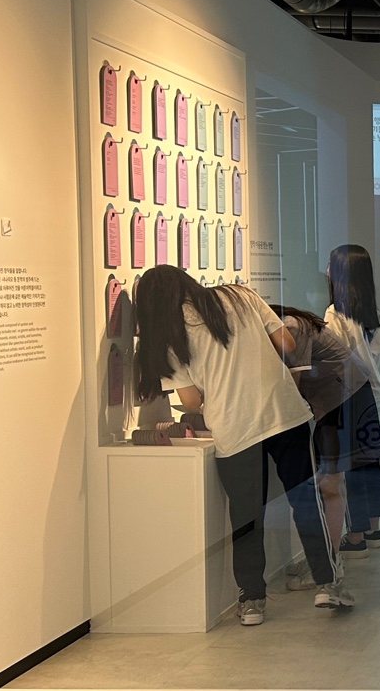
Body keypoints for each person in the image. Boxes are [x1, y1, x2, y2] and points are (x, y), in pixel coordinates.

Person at [132, 266, 353, 625]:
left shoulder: (169, 336)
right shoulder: (240, 296)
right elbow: (288, 344)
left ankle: (252, 601)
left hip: (234, 427)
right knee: (305, 501)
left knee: (246, 517)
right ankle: (327, 584)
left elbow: (190, 401)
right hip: (283, 413)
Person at [269, 306, 380, 583]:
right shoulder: (293, 324)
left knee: (330, 483)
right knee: (333, 481)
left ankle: (328, 563)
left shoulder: (291, 329)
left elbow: (293, 386)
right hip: (344, 400)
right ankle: (326, 559)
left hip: (342, 402)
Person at [325, 244, 380, 557]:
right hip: (371, 394)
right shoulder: (371, 313)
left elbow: (333, 358)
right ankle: (374, 531)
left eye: (330, 265)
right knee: (370, 465)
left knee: (351, 468)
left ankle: (356, 537)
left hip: (348, 396)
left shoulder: (335, 314)